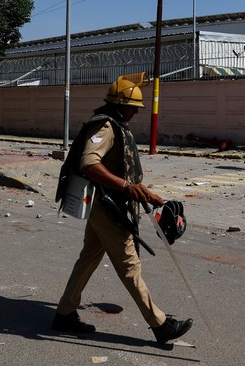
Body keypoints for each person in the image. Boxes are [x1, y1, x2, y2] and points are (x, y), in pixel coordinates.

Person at [52, 75, 194, 345]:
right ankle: (160, 324)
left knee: (88, 258)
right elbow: (89, 163)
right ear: (120, 105)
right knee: (130, 266)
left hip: (105, 203)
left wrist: (146, 194)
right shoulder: (106, 126)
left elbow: (119, 169)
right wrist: (127, 187)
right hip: (107, 206)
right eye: (133, 107)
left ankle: (65, 312)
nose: (136, 112)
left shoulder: (114, 123)